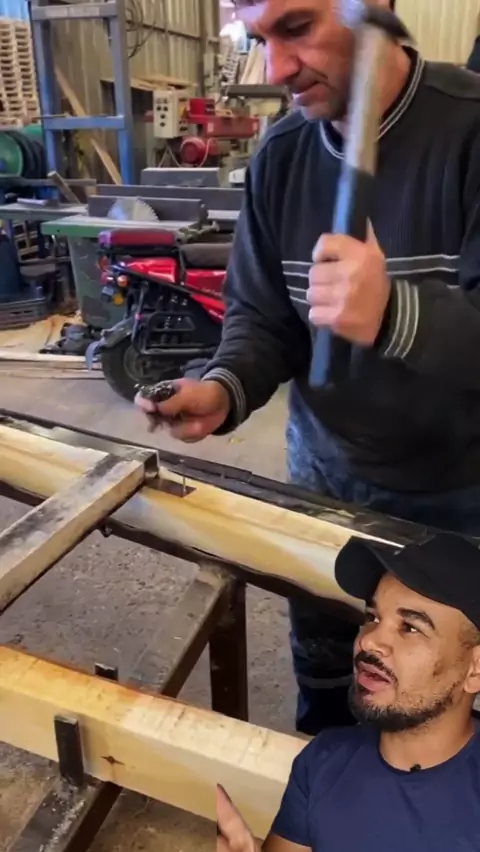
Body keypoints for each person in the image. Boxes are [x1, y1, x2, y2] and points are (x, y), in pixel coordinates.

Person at [136, 0, 480, 736]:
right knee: (329, 670)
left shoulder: (470, 133)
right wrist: (224, 385)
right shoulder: (284, 153)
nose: (277, 68)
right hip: (323, 479)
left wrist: (397, 314)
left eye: (296, 28)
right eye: (259, 38)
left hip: (459, 493)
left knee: (443, 704)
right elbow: (261, 318)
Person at [216, 532, 480, 852]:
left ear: (475, 669)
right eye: (372, 617)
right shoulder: (324, 761)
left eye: (410, 628)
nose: (368, 641)